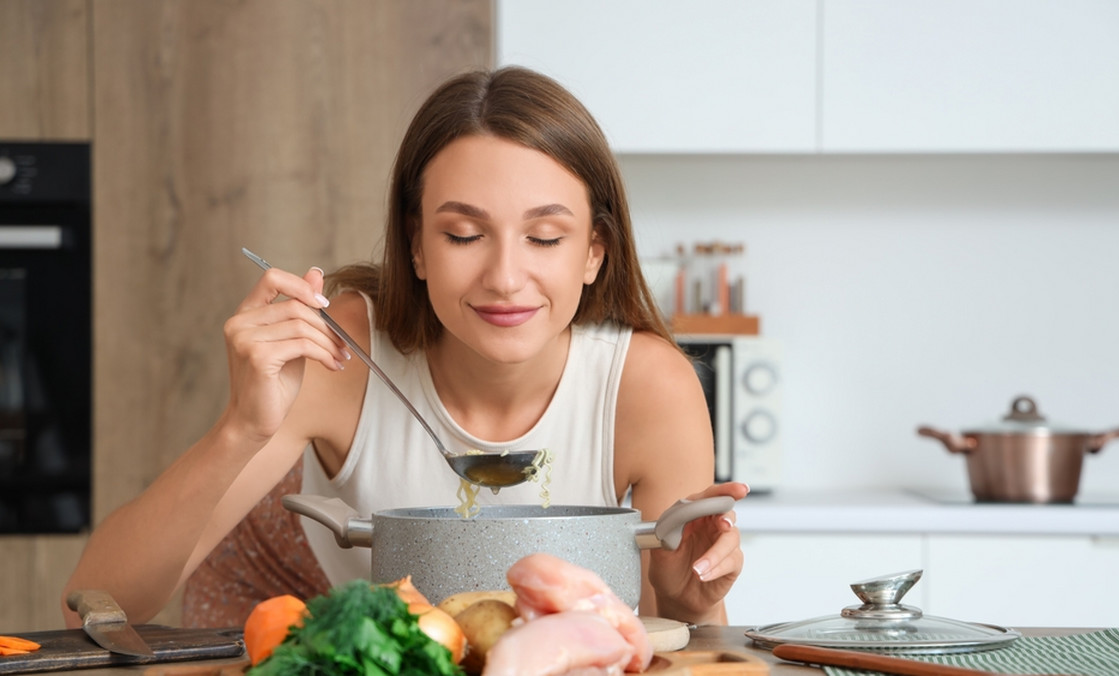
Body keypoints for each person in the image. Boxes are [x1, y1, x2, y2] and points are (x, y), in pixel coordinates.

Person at [61, 66, 747, 629]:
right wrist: (241, 428)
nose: (506, 277)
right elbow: (94, 608)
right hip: (316, 612)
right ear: (415, 244)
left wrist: (695, 598)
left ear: (594, 251)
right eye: (462, 235)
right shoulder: (342, 355)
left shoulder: (646, 385)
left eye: (544, 237)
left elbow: (681, 642)